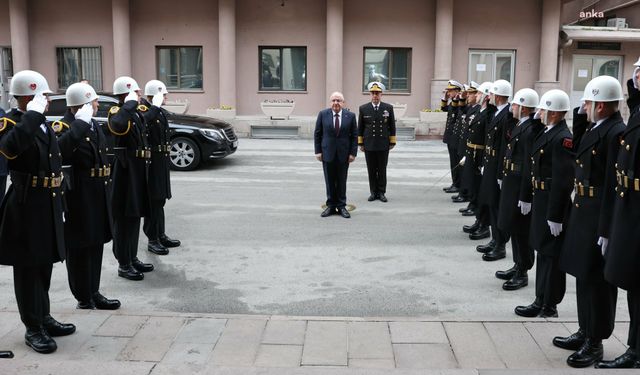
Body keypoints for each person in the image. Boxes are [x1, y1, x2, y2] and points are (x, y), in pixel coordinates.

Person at [0, 70, 76, 354]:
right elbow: (9, 149)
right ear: (28, 98)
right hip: (25, 202)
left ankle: (43, 316)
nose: (46, 101)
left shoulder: (43, 124)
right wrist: (30, 117)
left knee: (43, 262)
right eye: (43, 96)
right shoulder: (11, 123)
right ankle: (33, 327)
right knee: (28, 267)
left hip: (47, 199)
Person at [552, 75, 625, 368]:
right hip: (583, 210)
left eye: (589, 102)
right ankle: (585, 330)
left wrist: (608, 229)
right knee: (583, 276)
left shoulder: (615, 132)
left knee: (596, 281)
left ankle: (595, 342)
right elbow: (578, 149)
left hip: (598, 216)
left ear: (603, 106)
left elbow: (611, 184)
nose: (583, 106)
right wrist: (582, 118)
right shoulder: (599, 127)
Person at [57, 82, 121, 310]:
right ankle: (83, 296)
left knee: (95, 244)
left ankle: (94, 290)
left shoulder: (92, 125)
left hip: (98, 191)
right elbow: (60, 151)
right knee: (79, 246)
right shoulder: (65, 126)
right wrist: (79, 126)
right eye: (94, 101)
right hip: (78, 195)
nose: (97, 105)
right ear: (83, 104)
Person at [514, 89, 574, 318]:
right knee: (542, 250)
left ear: (555, 114)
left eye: (543, 109)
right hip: (541, 199)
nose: (538, 112)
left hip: (552, 202)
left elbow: (563, 179)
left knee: (551, 254)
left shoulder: (562, 138)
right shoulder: (548, 132)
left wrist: (556, 215)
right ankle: (541, 298)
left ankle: (550, 304)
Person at [597, 58, 640, 369]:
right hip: (630, 208)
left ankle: (636, 350)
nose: (637, 78)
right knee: (633, 283)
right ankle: (635, 346)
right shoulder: (638, 111)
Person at [495, 88, 542, 290]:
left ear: (523, 108)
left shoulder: (530, 129)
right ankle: (517, 264)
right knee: (514, 227)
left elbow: (529, 165)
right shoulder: (520, 125)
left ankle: (522, 271)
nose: (511, 107)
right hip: (511, 181)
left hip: (520, 185)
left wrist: (525, 195)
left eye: (514, 104)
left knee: (521, 229)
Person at [108, 76, 153, 280]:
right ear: (126, 95)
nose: (139, 95)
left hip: (137, 171)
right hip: (125, 173)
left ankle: (132, 257)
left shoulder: (134, 114)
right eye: (136, 92)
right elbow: (117, 126)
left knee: (134, 216)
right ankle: (123, 263)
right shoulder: (118, 112)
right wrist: (128, 105)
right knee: (124, 219)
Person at [475, 80, 515, 260]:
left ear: (498, 96)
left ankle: (500, 244)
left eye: (491, 94)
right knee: (491, 202)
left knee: (498, 206)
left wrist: (500, 173)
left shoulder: (507, 115)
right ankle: (494, 238)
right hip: (490, 163)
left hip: (497, 166)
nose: (487, 96)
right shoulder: (497, 112)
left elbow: (505, 146)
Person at [141, 80, 180, 255]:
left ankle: (160, 234)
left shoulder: (159, 111)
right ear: (154, 95)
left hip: (161, 160)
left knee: (161, 199)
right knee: (153, 201)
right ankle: (152, 239)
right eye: (163, 94)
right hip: (152, 161)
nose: (165, 97)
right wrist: (154, 108)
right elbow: (142, 125)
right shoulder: (146, 111)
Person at [314, 91, 357, 219]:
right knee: (329, 180)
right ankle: (331, 206)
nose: (336, 103)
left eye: (338, 100)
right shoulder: (323, 114)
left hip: (344, 154)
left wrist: (352, 153)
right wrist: (318, 151)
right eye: (333, 100)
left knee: (342, 180)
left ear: (343, 103)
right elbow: (317, 134)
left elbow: (354, 136)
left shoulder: (350, 116)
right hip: (327, 153)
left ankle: (342, 206)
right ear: (330, 102)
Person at [462, 82, 495, 239]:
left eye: (481, 93)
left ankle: (484, 225)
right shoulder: (478, 110)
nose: (477, 95)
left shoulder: (488, 113)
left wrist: (483, 161)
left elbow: (488, 138)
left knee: (481, 192)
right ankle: (478, 220)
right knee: (474, 189)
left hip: (480, 155)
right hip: (472, 152)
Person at [358, 81, 396, 202]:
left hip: (383, 144)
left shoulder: (388, 108)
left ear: (381, 94)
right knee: (371, 169)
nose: (375, 95)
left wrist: (392, 142)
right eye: (373, 93)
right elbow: (360, 127)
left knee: (382, 169)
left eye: (377, 93)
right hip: (369, 144)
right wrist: (360, 143)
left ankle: (382, 192)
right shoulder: (364, 108)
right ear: (370, 94)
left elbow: (392, 126)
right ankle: (373, 192)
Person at [441, 80, 463, 193]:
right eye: (448, 91)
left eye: (450, 91)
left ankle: (458, 184)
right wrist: (445, 98)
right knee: (452, 161)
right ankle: (455, 182)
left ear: (457, 91)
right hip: (450, 137)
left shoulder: (460, 103)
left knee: (456, 162)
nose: (448, 93)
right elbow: (444, 109)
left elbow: (455, 111)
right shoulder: (453, 102)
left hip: (456, 137)